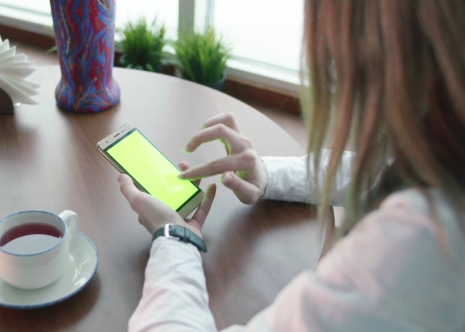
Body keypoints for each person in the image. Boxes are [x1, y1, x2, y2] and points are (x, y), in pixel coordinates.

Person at [117, 0, 465, 330]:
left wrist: (175, 237)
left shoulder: (416, 241)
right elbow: (382, 169)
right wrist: (270, 175)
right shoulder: (447, 156)